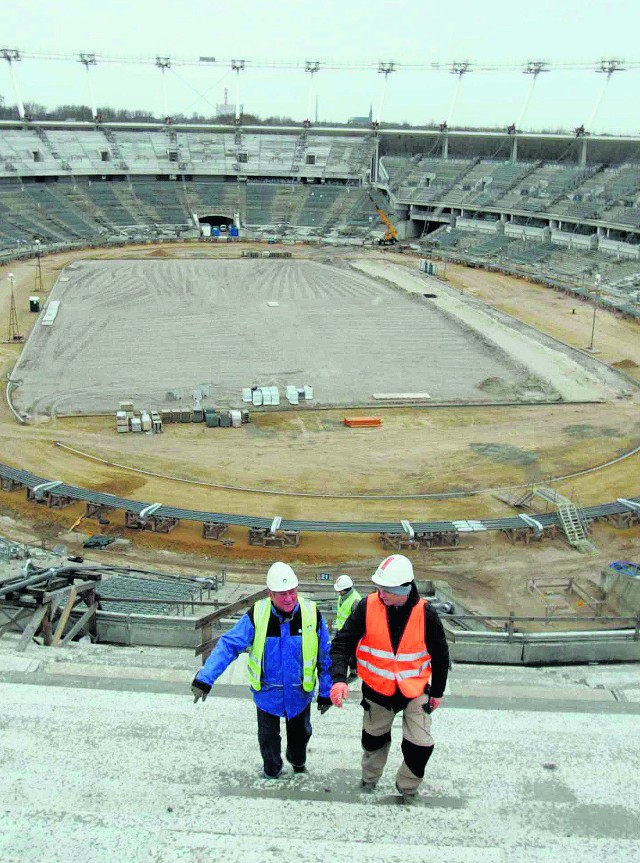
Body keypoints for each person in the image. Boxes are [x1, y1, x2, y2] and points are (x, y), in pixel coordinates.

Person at [191, 561, 333, 779]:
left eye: (292, 592)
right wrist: (205, 678)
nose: (288, 598)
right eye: (281, 594)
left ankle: (297, 762)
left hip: (299, 694)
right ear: (270, 594)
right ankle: (272, 770)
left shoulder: (312, 613)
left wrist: (326, 691)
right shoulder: (257, 614)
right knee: (268, 739)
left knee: (300, 737)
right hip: (268, 694)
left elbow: (324, 655)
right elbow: (229, 645)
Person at [329, 554, 449, 804]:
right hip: (377, 692)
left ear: (404, 589)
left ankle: (407, 787)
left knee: (421, 745)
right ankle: (369, 779)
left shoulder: (426, 614)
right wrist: (339, 679)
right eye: (379, 588)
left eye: (386, 590)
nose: (380, 594)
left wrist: (436, 693)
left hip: (415, 691)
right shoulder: (367, 606)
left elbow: (440, 656)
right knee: (373, 742)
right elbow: (341, 644)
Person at [333, 574, 362, 680]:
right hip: (340, 629)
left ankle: (354, 673)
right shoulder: (342, 596)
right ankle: (339, 672)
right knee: (338, 651)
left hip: (350, 633)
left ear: (346, 589)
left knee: (351, 655)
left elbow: (358, 621)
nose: (338, 592)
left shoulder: (355, 600)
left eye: (340, 590)